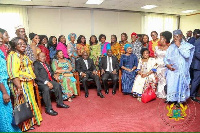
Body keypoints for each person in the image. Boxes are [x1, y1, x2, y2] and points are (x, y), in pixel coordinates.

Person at [7, 37, 42, 131]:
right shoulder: (13, 55)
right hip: (20, 84)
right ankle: (24, 125)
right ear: (14, 45)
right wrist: (19, 87)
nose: (23, 45)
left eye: (24, 43)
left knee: (30, 102)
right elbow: (13, 73)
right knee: (23, 103)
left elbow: (29, 68)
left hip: (28, 83)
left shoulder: (23, 55)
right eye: (20, 43)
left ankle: (32, 121)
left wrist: (33, 81)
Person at [164, 29, 195, 103]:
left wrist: (179, 46)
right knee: (172, 84)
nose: (175, 38)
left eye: (177, 36)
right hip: (172, 70)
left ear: (181, 36)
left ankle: (180, 100)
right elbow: (166, 57)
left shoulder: (187, 46)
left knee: (180, 84)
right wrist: (167, 64)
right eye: (174, 36)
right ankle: (172, 99)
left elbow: (187, 55)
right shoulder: (171, 46)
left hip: (182, 70)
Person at [0, 39, 21, 132]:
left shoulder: (0, 51)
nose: (1, 39)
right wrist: (4, 92)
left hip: (4, 85)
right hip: (1, 87)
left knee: (7, 112)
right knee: (4, 114)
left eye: (1, 37)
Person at [155, 31, 172, 99]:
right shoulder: (157, 47)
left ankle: (165, 93)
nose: (159, 40)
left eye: (161, 38)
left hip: (165, 66)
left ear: (165, 40)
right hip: (157, 65)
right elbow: (155, 56)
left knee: (165, 80)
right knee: (159, 79)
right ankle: (159, 92)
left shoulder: (170, 48)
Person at [190, 29, 200, 103]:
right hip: (197, 64)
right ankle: (192, 95)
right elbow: (197, 53)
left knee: (197, 80)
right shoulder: (199, 41)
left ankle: (195, 93)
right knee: (196, 80)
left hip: (197, 63)